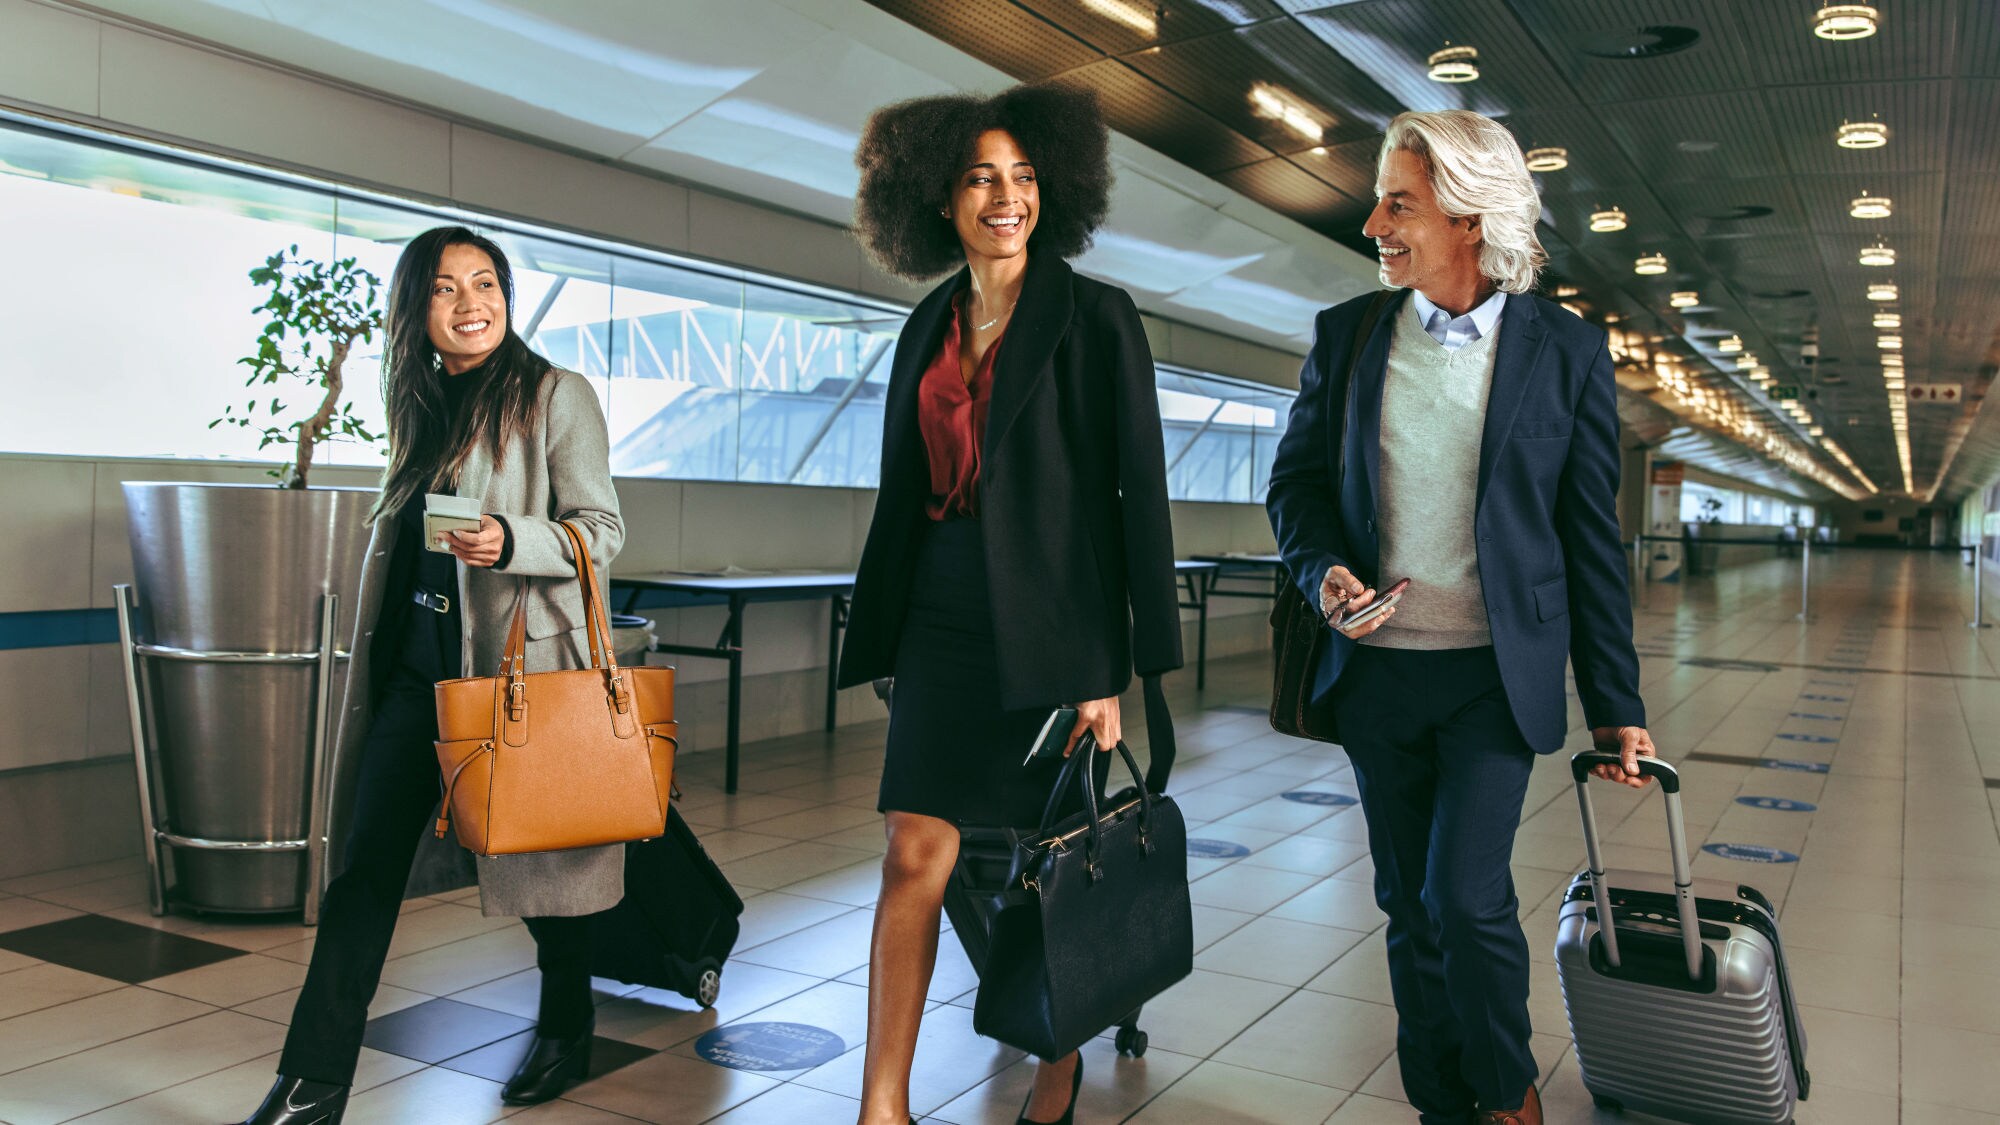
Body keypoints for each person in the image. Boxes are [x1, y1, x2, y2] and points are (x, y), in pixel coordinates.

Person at [1265, 110, 1655, 1125]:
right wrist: (1323, 572)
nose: (1372, 224)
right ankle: (1441, 1103)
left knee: (1462, 897)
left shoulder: (1563, 350)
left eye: (1398, 202)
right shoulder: (1347, 336)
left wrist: (1616, 704)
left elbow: (1586, 540)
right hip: (1375, 675)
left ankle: (1505, 1094)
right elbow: (1296, 487)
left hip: (1490, 675)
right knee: (1404, 905)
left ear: (1468, 217)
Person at [836, 83, 1181, 1125]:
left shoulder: (1094, 316)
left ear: (1051, 191)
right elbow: (903, 494)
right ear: (937, 197)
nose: (1005, 196)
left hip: (1051, 625)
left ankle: (1054, 1070)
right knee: (914, 854)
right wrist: (886, 628)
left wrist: (1112, 670)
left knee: (1051, 864)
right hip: (940, 613)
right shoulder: (924, 325)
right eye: (982, 177)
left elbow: (1135, 497)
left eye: (1023, 177)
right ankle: (881, 1105)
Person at [235, 226, 626, 1124]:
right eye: (445, 288)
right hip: (416, 679)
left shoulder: (555, 394)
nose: (469, 302)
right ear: (417, 309)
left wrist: (512, 540)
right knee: (363, 876)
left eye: (484, 283)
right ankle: (312, 1086)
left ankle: (568, 1018)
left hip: (508, 678)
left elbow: (601, 530)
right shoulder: (421, 402)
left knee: (541, 869)